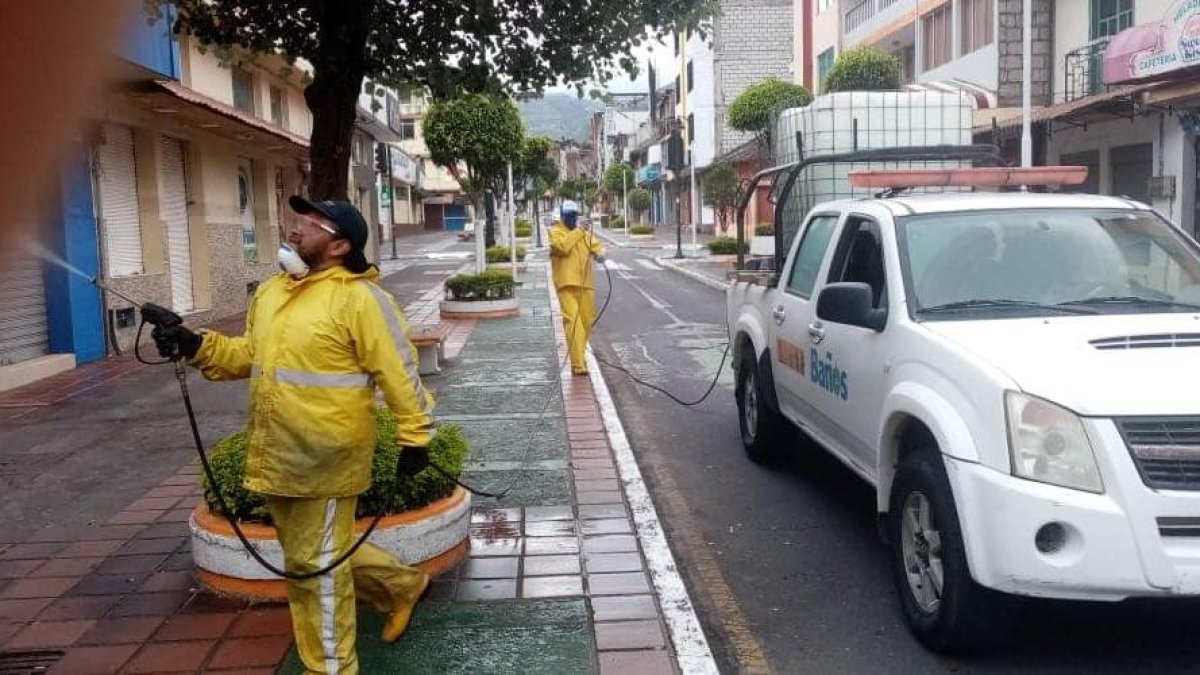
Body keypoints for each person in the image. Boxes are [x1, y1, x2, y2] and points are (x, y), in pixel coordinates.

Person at [152, 196, 435, 674]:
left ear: (340, 245)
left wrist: (416, 435)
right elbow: (248, 356)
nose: (297, 227)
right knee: (312, 553)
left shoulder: (361, 299)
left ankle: (329, 667)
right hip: (277, 452)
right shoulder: (272, 293)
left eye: (314, 223)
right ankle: (401, 586)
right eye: (299, 219)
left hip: (327, 458)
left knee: (313, 573)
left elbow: (400, 370)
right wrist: (194, 344)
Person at [549, 200, 605, 376]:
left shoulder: (583, 233)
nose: (572, 218)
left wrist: (600, 253)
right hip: (566, 284)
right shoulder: (556, 232)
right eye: (569, 215)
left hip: (585, 285)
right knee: (573, 323)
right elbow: (563, 247)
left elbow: (595, 245)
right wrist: (580, 231)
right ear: (563, 215)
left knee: (587, 321)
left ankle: (579, 356)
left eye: (574, 215)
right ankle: (578, 364)